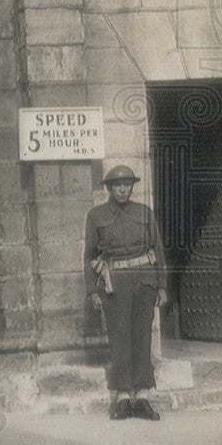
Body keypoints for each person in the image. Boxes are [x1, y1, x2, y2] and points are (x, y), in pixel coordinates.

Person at [84, 165, 168, 421]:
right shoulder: (96, 216)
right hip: (115, 284)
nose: (123, 189)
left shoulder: (144, 213)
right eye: (117, 185)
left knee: (143, 336)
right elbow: (89, 256)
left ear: (132, 186)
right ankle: (121, 397)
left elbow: (158, 249)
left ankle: (142, 396)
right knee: (119, 337)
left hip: (144, 281)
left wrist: (162, 285)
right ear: (109, 188)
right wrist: (92, 291)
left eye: (127, 184)